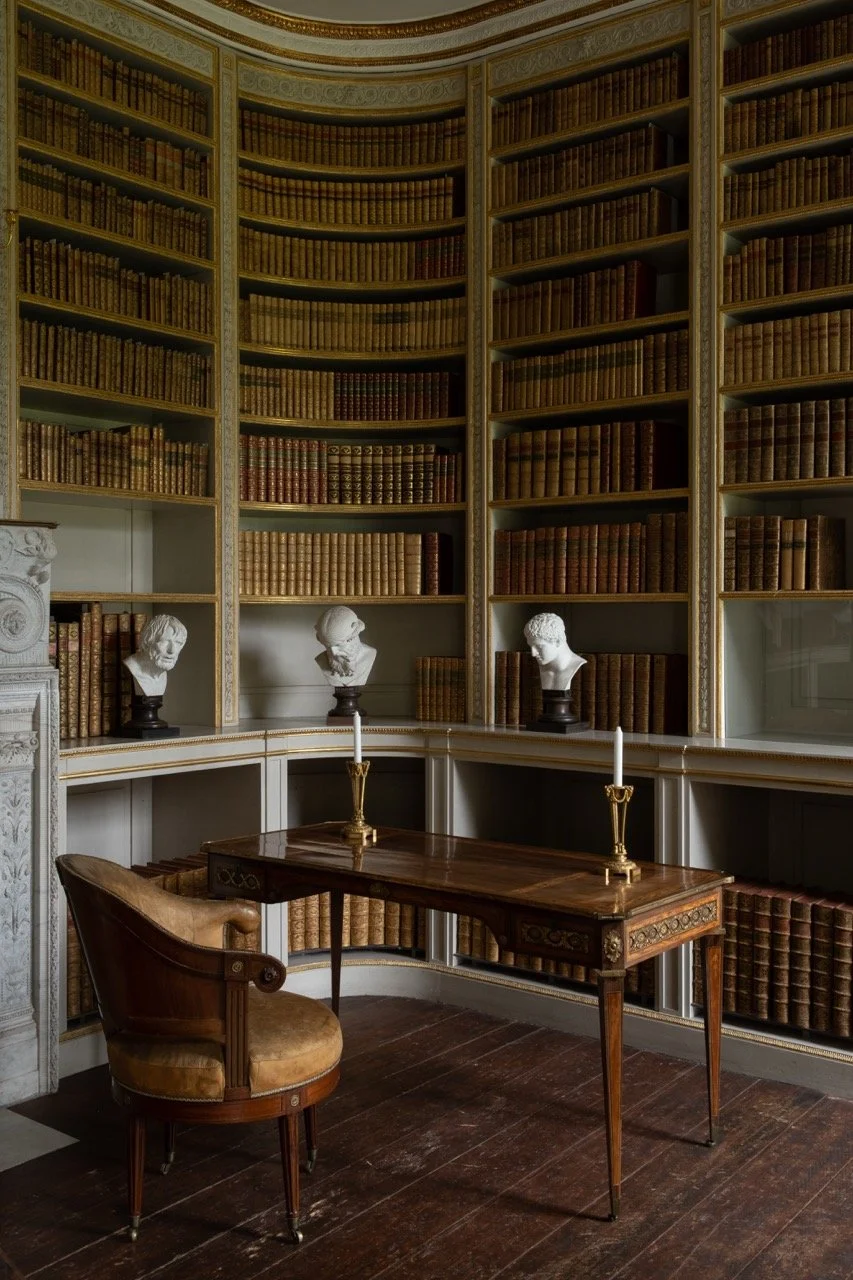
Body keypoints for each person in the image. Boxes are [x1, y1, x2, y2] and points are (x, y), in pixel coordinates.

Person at [123, 614, 187, 698]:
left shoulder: (161, 670)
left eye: (178, 643)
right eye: (165, 641)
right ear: (148, 640)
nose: (172, 651)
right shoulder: (132, 666)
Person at [314, 605, 376, 688]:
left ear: (354, 636)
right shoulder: (321, 659)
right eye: (328, 647)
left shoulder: (371, 654)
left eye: (338, 645)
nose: (334, 652)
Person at [523, 612, 586, 692]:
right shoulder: (535, 669)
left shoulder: (582, 669)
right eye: (530, 646)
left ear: (557, 641)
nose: (533, 654)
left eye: (539, 647)